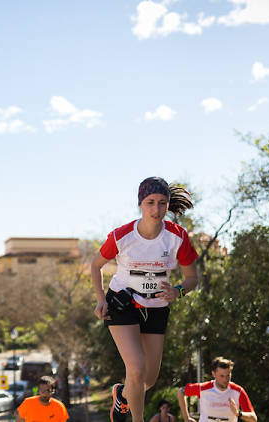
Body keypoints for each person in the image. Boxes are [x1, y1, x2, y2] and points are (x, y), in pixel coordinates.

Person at [91, 177, 199, 422]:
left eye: (162, 203)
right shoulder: (123, 236)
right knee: (137, 369)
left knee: (147, 380)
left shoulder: (177, 236)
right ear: (140, 203)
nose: (156, 209)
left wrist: (178, 291)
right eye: (150, 202)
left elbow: (192, 278)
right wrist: (100, 299)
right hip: (123, 303)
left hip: (157, 307)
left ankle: (122, 395)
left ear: (168, 204)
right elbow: (96, 265)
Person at [177, 357, 256, 422]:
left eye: (228, 375)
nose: (225, 379)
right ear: (213, 374)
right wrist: (186, 418)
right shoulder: (203, 388)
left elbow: (253, 418)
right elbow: (181, 392)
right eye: (221, 376)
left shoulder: (238, 391)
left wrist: (238, 413)